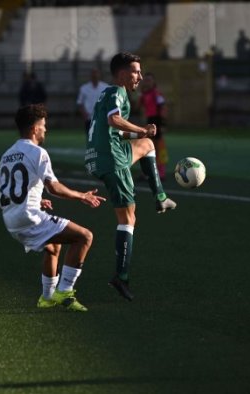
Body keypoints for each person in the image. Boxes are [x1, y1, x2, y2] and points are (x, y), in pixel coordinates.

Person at [85, 52, 177, 301]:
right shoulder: (117, 92)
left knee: (147, 145)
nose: (139, 76)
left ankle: (160, 196)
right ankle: (121, 277)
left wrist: (141, 135)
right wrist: (143, 128)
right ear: (123, 73)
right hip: (111, 159)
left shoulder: (105, 93)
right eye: (136, 71)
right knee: (128, 219)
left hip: (97, 156)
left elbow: (113, 130)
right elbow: (114, 120)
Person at [0, 104, 105, 312]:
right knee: (84, 237)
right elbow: (54, 188)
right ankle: (65, 291)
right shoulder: (38, 152)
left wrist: (37, 201)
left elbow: (11, 191)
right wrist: (81, 195)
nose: (45, 130)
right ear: (34, 129)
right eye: (43, 126)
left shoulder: (7, 155)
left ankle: (47, 297)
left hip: (11, 220)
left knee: (53, 246)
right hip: (29, 218)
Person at [138, 72, 169, 179]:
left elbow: (163, 108)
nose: (147, 82)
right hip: (149, 121)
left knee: (159, 147)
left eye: (149, 80)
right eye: (146, 80)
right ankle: (148, 171)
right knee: (148, 147)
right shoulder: (144, 94)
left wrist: (163, 124)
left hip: (157, 121)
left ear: (154, 82)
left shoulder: (156, 93)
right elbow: (139, 108)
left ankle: (161, 172)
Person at [76, 68, 109, 134]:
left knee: (101, 136)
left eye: (96, 74)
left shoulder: (106, 87)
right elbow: (79, 103)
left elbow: (109, 101)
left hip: (102, 118)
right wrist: (84, 114)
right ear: (90, 75)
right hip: (89, 118)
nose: (95, 76)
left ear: (99, 75)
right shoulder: (84, 88)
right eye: (93, 74)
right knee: (90, 138)